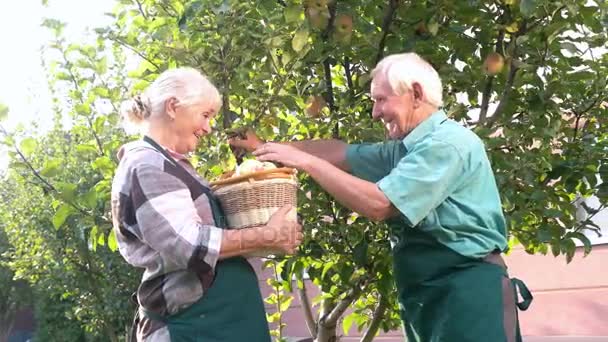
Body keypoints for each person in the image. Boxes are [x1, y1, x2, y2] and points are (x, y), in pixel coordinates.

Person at [230, 52, 533, 342]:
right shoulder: (404, 148)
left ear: (415, 93)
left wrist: (305, 163)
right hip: (430, 296)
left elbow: (380, 204)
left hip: (468, 295)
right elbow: (342, 153)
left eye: (380, 100)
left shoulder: (445, 145)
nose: (375, 112)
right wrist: (268, 147)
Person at [110, 67, 303, 342]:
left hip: (220, 323)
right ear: (173, 107)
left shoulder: (173, 165)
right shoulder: (147, 166)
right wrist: (268, 235)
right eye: (205, 115)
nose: (208, 127)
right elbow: (187, 244)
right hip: (193, 327)